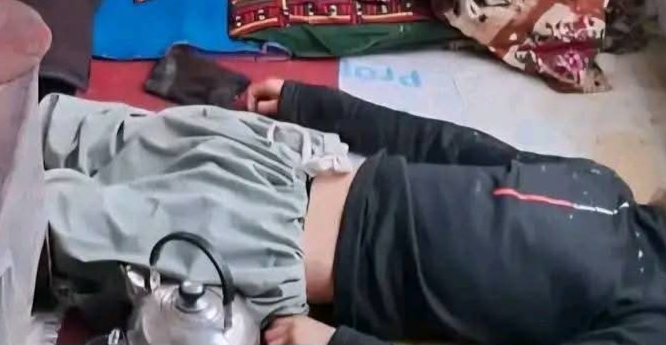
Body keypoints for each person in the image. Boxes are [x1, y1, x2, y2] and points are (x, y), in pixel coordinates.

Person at [42, 82, 666, 345]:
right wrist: (318, 105)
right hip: (276, 163)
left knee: (38, 217)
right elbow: (450, 145)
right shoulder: (607, 187)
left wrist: (336, 342)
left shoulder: (649, 314)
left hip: (260, 248)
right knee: (48, 124)